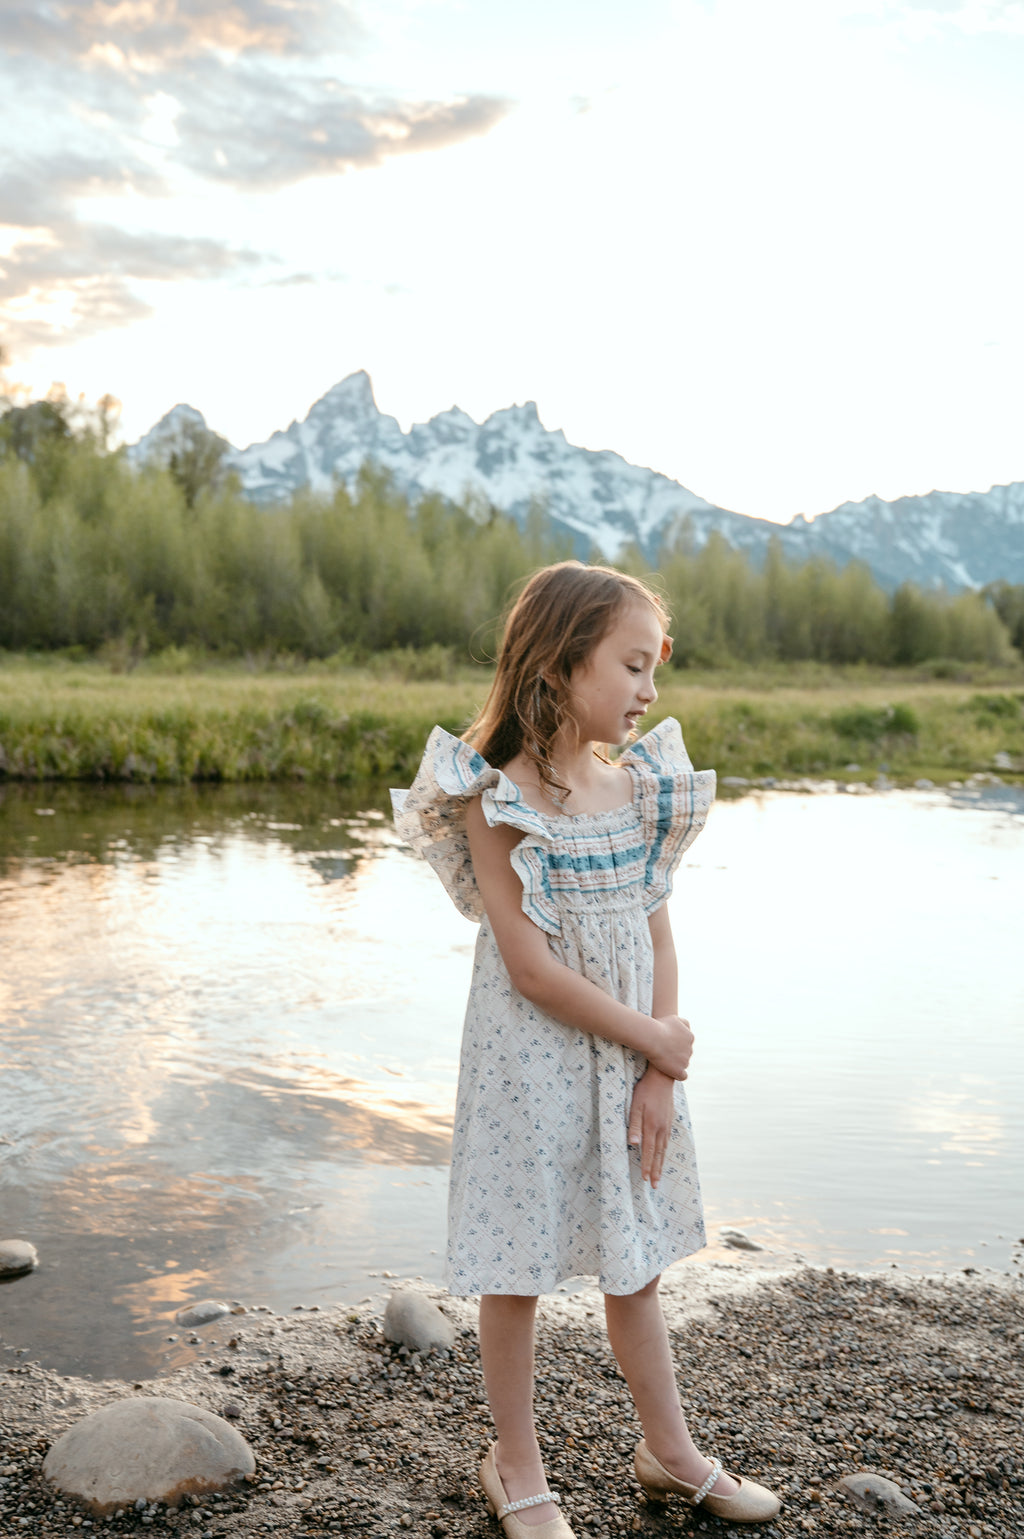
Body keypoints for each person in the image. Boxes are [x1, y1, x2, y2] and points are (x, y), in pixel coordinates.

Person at [392, 561, 781, 1536]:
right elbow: (529, 970)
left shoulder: (639, 788)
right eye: (632, 665)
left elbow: (653, 933)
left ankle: (669, 1451)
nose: (650, 691)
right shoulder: (498, 800)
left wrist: (657, 1070)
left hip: (628, 1068)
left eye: (655, 669)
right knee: (516, 1272)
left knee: (635, 1266)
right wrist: (657, 1037)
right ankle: (515, 1466)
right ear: (562, 664)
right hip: (529, 1070)